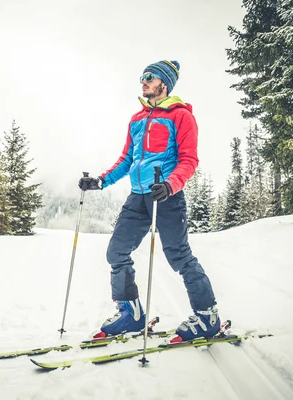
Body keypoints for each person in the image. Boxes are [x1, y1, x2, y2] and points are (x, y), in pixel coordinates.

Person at [78, 60, 220, 341]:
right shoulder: (137, 119)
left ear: (163, 84)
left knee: (179, 256)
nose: (143, 80)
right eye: (142, 75)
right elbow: (127, 159)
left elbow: (189, 160)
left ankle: (208, 316)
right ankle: (131, 313)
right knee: (116, 252)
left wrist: (170, 185)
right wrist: (101, 181)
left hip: (167, 197)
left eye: (150, 76)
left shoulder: (181, 116)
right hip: (138, 197)